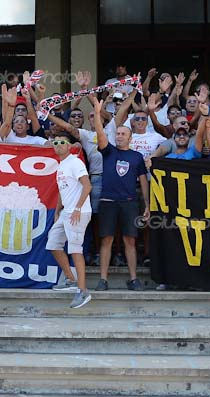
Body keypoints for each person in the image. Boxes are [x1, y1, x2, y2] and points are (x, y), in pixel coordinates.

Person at [88, 93, 149, 291]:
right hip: (107, 201)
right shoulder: (108, 150)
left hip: (130, 202)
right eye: (118, 134)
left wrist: (147, 205)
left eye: (123, 134)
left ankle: (133, 279)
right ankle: (103, 280)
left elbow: (143, 182)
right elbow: (100, 131)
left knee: (130, 240)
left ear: (130, 138)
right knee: (106, 240)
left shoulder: (137, 156)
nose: (119, 136)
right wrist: (98, 113)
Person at [46, 130, 93, 309]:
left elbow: (87, 186)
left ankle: (83, 291)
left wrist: (78, 208)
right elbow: (62, 190)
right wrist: (59, 211)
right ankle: (70, 279)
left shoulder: (75, 162)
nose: (58, 146)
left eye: (62, 142)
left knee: (75, 250)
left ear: (70, 146)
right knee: (53, 243)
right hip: (67, 212)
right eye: (55, 143)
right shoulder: (62, 165)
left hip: (78, 213)